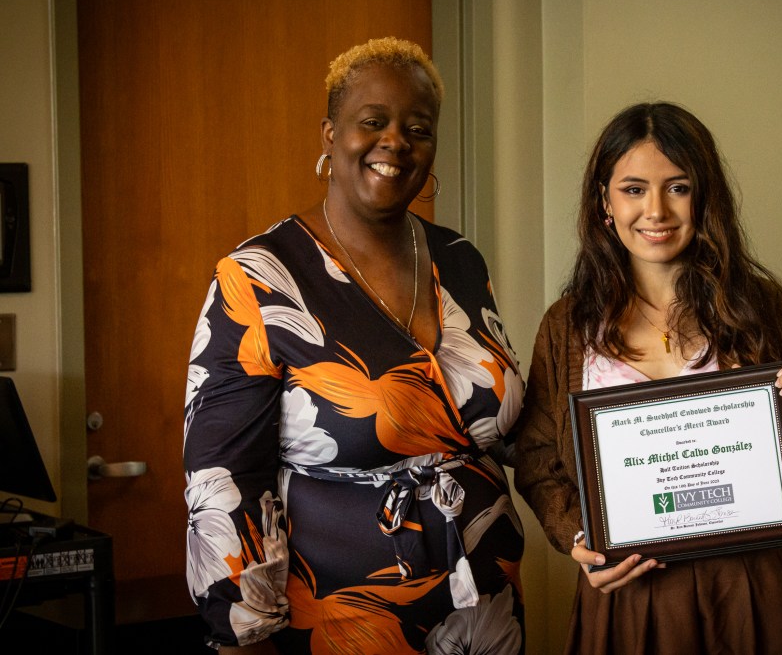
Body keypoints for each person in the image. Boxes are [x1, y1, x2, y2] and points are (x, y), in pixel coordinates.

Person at [183, 37, 526, 654]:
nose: (396, 141)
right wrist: (243, 631)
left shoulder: (459, 258)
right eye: (373, 122)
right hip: (345, 617)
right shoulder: (259, 278)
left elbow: (509, 419)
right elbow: (224, 480)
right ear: (329, 135)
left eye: (417, 129)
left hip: (486, 603)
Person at [514, 102, 782, 654]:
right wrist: (578, 539)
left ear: (704, 196)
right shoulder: (567, 325)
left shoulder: (760, 305)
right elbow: (538, 457)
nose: (656, 210)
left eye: (678, 187)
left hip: (752, 589)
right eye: (633, 189)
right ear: (605, 202)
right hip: (628, 594)